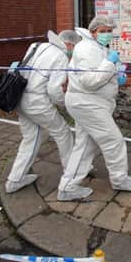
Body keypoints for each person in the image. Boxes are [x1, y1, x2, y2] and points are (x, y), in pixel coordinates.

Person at [57, 15, 131, 201]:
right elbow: (89, 81)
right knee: (114, 141)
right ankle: (120, 180)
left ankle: (68, 187)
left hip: (89, 103)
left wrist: (118, 75)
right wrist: (110, 64)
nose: (106, 34)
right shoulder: (86, 48)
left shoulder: (97, 47)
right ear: (92, 31)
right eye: (102, 31)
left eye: (109, 31)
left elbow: (100, 73)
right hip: (88, 103)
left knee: (85, 145)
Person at [5, 30, 81, 194]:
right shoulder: (60, 56)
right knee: (63, 132)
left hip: (19, 97)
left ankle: (14, 180)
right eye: (73, 48)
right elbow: (54, 90)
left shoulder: (37, 46)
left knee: (30, 139)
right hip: (37, 102)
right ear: (69, 44)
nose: (72, 52)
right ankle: (72, 173)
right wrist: (65, 106)